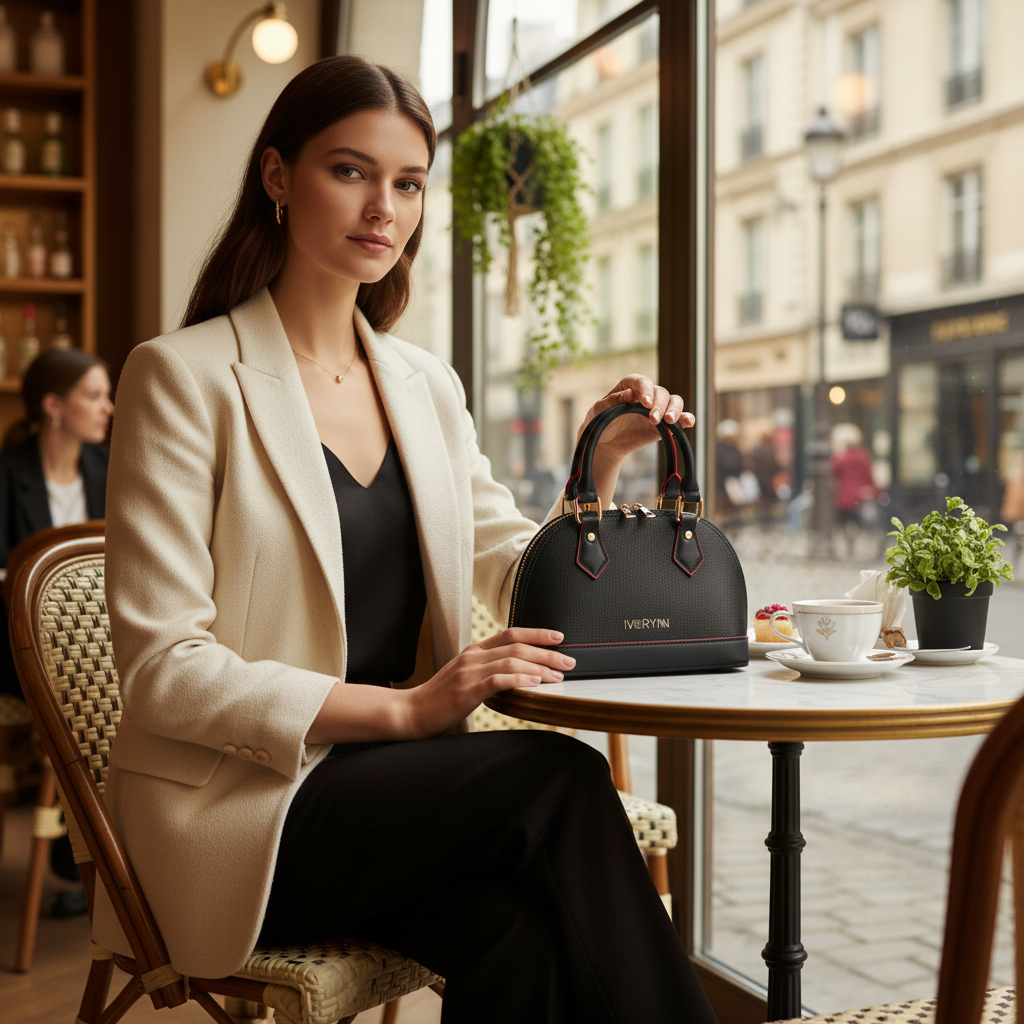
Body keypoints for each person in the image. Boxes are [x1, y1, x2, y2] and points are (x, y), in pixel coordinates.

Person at [92, 55, 719, 1023]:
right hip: (245, 812)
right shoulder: (181, 377)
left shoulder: (426, 385)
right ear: (276, 177)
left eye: (408, 182)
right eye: (349, 171)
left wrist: (600, 469)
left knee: (519, 931)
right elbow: (164, 669)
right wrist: (411, 710)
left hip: (396, 797)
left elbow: (518, 573)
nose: (382, 206)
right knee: (560, 776)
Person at [0, 347, 113, 916]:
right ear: (52, 406)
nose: (108, 408)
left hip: (97, 641)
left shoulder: (108, 468)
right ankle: (96, 863)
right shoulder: (7, 472)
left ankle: (100, 861)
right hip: (17, 645)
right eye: (94, 395)